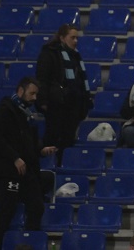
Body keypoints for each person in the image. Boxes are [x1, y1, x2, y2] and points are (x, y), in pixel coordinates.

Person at [0, 78, 57, 250]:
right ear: (20, 91)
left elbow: (29, 143)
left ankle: (29, 245)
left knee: (37, 207)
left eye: (36, 94)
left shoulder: (27, 114)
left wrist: (41, 150)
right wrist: (14, 158)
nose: (35, 98)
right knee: (6, 212)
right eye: (32, 93)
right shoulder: (5, 109)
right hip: (9, 171)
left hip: (28, 171)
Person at [35, 24, 93, 160]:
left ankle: (63, 164)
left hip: (73, 105)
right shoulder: (49, 53)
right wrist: (42, 101)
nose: (75, 41)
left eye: (77, 38)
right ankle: (50, 167)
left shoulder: (76, 56)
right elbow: (42, 79)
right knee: (53, 138)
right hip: (56, 105)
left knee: (68, 140)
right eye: (72, 37)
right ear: (62, 38)